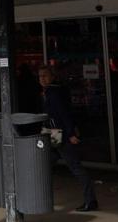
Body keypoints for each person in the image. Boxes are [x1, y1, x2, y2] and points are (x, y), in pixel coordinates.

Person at [38, 64, 98, 212]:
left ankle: (90, 200)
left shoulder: (54, 93)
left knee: (74, 166)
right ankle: (41, 196)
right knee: (45, 164)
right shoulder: (52, 91)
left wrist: (70, 133)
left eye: (45, 75)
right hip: (53, 133)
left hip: (59, 134)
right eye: (40, 76)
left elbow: (64, 114)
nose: (42, 79)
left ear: (52, 76)